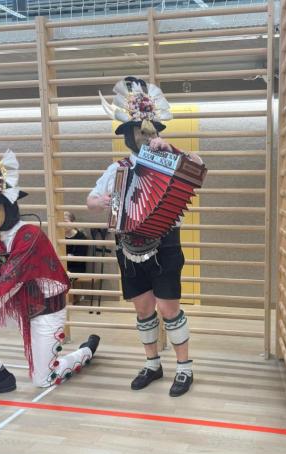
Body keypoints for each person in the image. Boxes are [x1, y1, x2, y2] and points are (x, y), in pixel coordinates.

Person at [87, 77, 204, 397]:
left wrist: (174, 149)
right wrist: (105, 201)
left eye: (151, 130)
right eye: (141, 130)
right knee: (143, 309)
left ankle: (184, 367)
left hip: (165, 243)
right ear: (129, 134)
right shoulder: (117, 169)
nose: (147, 135)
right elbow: (90, 201)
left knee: (169, 308)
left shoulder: (171, 159)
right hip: (128, 245)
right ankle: (153, 364)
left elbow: (199, 170)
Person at [0, 142, 100, 398]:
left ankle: (86, 351)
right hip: (17, 306)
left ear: (9, 205)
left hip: (44, 309)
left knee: (44, 379)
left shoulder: (29, 235)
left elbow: (8, 282)